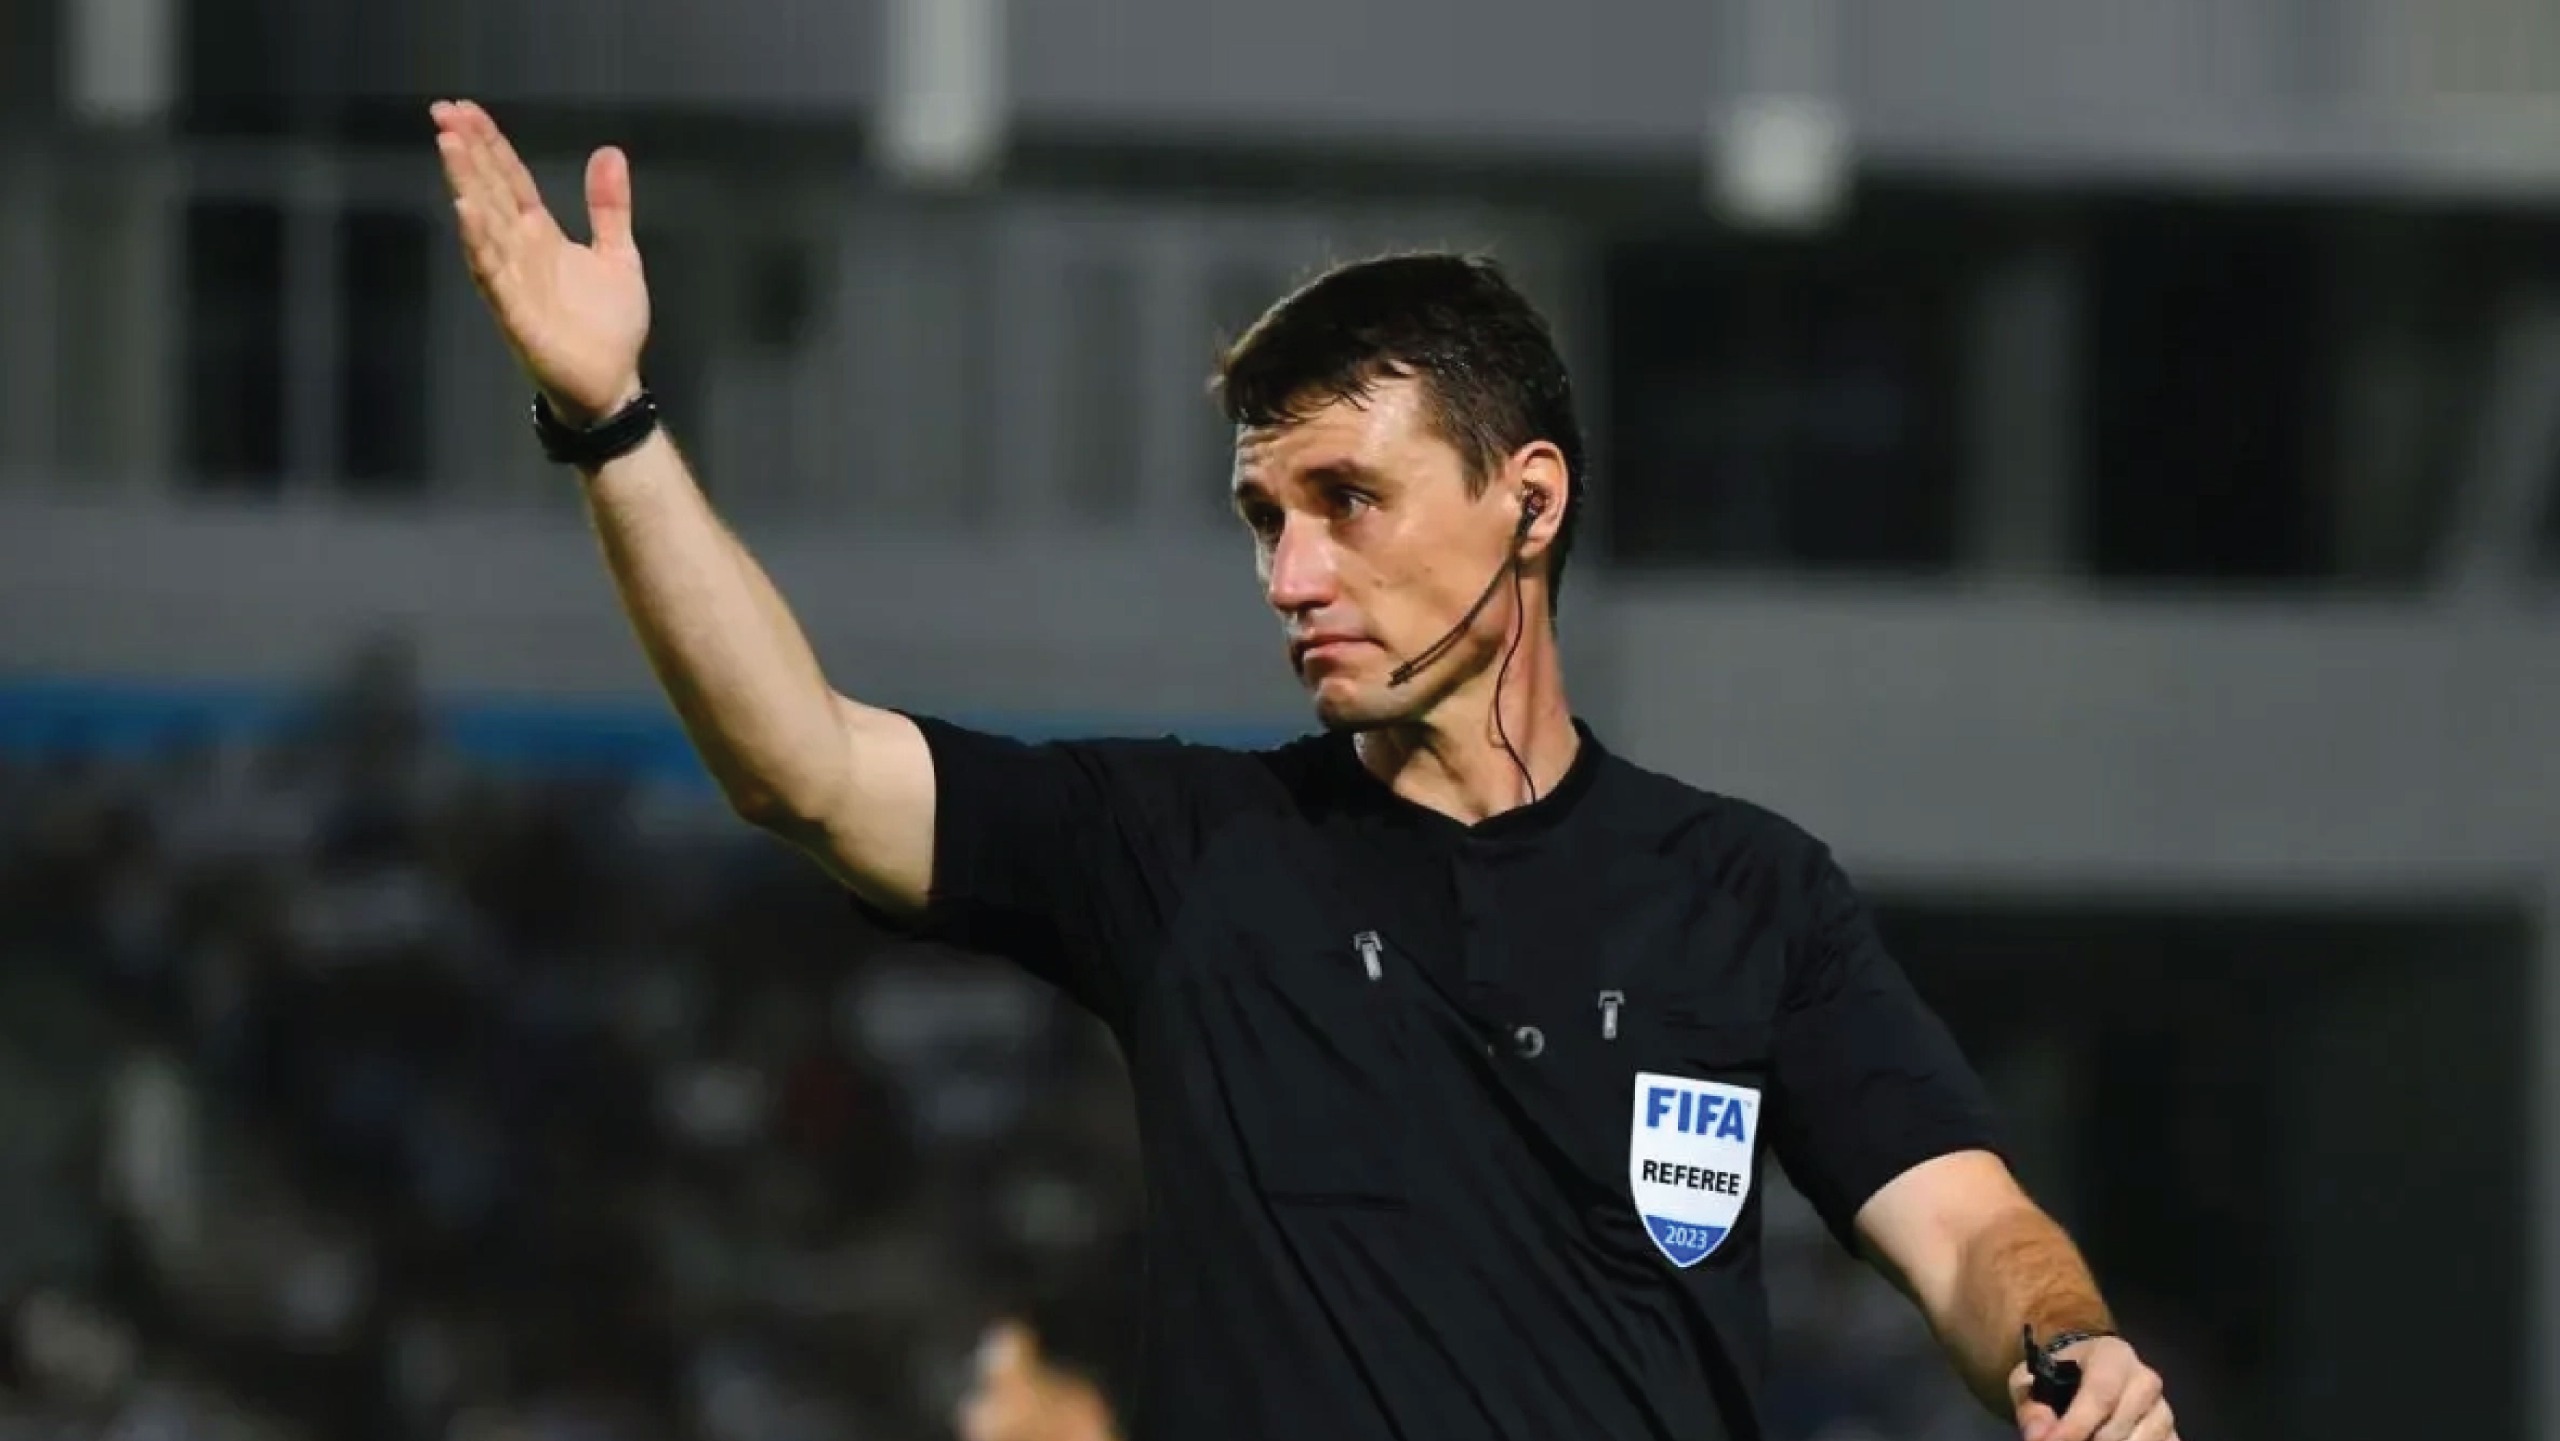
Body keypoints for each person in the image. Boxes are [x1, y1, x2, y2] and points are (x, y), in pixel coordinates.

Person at [428, 99, 2181, 1441]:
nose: (1292, 574)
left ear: (1530, 501)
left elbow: (1970, 1227)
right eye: (1265, 517)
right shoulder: (1184, 852)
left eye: (1349, 501)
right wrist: (611, 424)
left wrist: (2069, 1345)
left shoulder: (1746, 892)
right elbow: (801, 766)